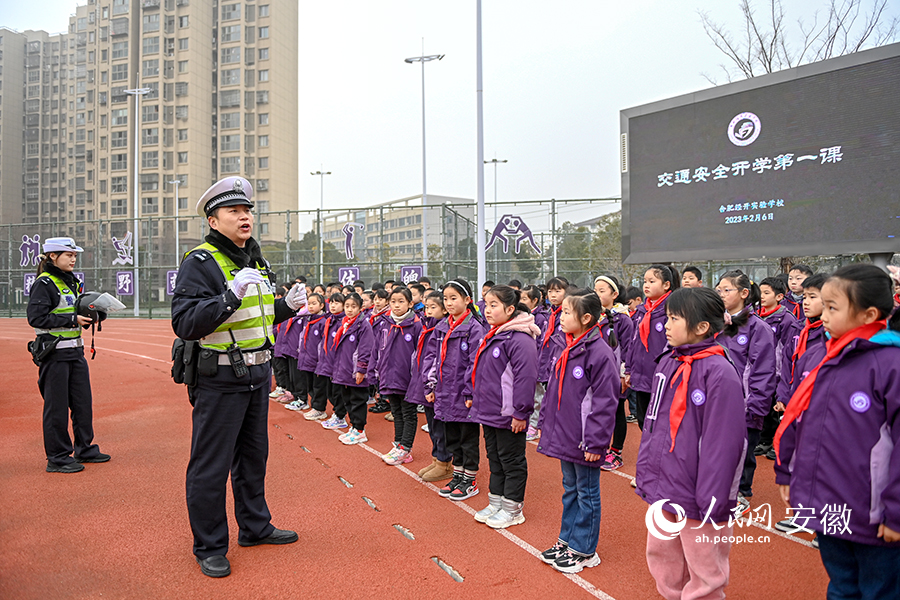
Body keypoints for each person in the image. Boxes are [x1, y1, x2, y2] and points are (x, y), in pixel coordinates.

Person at [171, 176, 306, 578]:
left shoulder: (255, 260)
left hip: (256, 374)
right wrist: (227, 296)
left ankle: (254, 526)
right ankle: (210, 545)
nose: (245, 216)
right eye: (234, 211)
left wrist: (287, 307)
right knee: (210, 466)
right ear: (214, 221)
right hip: (221, 378)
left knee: (253, 459)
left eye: (247, 210)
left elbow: (257, 318)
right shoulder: (201, 262)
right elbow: (185, 322)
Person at [773, 264, 900, 599]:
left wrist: (896, 512)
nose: (822, 314)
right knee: (842, 587)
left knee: (880, 590)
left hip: (876, 515)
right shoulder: (827, 356)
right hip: (831, 506)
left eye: (832, 307)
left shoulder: (891, 364)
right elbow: (803, 422)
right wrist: (788, 472)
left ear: (868, 314)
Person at [637, 287, 746, 600]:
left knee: (704, 563)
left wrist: (711, 498)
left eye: (674, 318)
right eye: (667, 317)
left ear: (702, 327)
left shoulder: (720, 372)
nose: (666, 325)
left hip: (700, 492)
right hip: (665, 483)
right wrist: (648, 477)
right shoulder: (668, 363)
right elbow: (654, 425)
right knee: (662, 553)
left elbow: (724, 444)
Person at [537, 291, 619, 574]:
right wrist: (546, 423)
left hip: (586, 439)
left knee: (586, 491)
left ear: (586, 318)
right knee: (570, 488)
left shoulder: (599, 353)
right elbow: (554, 393)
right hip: (566, 433)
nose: (561, 317)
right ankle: (567, 539)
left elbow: (605, 403)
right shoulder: (567, 345)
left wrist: (596, 442)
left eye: (568, 313)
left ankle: (584, 549)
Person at [27, 237, 109, 474]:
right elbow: (37, 318)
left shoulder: (71, 282)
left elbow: (73, 312)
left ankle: (85, 448)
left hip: (75, 353)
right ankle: (58, 457)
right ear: (53, 256)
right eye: (68, 254)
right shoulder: (45, 283)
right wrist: (73, 319)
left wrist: (92, 316)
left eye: (74, 255)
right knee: (57, 407)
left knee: (83, 404)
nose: (73, 258)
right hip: (54, 356)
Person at [468, 285, 540, 529]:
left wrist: (521, 412)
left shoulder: (520, 339)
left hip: (509, 414)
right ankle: (496, 501)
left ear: (510, 309)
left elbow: (525, 379)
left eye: (494, 305)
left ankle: (512, 508)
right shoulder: (493, 334)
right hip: (489, 410)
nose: (487, 310)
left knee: (511, 460)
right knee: (495, 458)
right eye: (486, 305)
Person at [715, 270, 776, 513]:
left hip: (745, 403)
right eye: (718, 290)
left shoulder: (758, 328)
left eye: (726, 290)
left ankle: (741, 493)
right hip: (717, 399)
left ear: (744, 293)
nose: (721, 295)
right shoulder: (715, 324)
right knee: (719, 449)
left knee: (743, 450)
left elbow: (763, 370)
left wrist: (756, 405)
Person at [423, 279, 486, 500]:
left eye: (454, 298)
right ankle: (458, 474)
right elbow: (431, 358)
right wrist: (429, 384)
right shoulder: (441, 327)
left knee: (467, 438)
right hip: (444, 393)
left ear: (467, 300)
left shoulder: (474, 328)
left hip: (462, 394)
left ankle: (470, 479)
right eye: (446, 299)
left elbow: (475, 363)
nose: (449, 303)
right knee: (452, 437)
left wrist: (470, 392)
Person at [626, 265, 678, 429]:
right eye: (645, 281)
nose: (646, 285)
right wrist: (628, 369)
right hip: (641, 376)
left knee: (661, 423)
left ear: (666, 285)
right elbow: (633, 343)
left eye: (652, 281)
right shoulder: (642, 312)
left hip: (662, 377)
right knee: (643, 421)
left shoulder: (672, 311)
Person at [375, 287, 423, 465]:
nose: (396, 305)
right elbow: (379, 348)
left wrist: (417, 379)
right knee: (396, 412)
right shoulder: (385, 322)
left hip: (407, 379)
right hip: (389, 376)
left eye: (401, 301)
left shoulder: (416, 325)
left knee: (408, 413)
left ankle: (405, 448)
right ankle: (398, 444)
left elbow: (420, 354)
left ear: (410, 304)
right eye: (393, 301)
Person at [754, 276, 800, 459]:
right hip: (761, 367)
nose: (762, 296)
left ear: (780, 296)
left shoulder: (786, 319)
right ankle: (764, 440)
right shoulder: (757, 315)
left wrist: (781, 371)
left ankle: (776, 440)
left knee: (777, 406)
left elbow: (787, 348)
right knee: (764, 405)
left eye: (767, 293)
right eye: (761, 292)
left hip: (778, 370)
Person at [592, 276, 634, 472]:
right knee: (598, 409)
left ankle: (616, 452)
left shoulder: (623, 319)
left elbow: (628, 348)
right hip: (596, 375)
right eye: (596, 290)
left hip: (615, 374)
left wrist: (624, 373)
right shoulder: (593, 317)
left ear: (614, 294)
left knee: (617, 411)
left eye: (602, 290)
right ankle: (600, 446)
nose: (597, 294)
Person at [411, 291, 454, 482]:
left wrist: (433, 385)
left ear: (444, 310)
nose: (428, 311)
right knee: (432, 424)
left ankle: (445, 463)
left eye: (433, 307)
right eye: (426, 307)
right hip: (425, 382)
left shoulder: (442, 329)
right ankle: (436, 459)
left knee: (440, 426)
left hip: (436, 385)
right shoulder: (427, 326)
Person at [329, 293, 375, 445]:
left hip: (355, 371)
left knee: (357, 400)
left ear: (361, 308)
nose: (349, 309)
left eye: (353, 306)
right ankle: (354, 427)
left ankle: (360, 429)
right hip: (344, 370)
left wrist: (361, 370)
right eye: (347, 306)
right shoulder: (345, 323)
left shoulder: (363, 326)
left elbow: (365, 349)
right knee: (347, 399)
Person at [318, 294, 348, 430]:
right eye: (331, 303)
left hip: (338, 363)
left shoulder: (344, 322)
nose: (333, 305)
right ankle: (337, 414)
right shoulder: (329, 320)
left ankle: (340, 416)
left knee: (338, 392)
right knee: (330, 391)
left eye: (337, 303)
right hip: (328, 361)